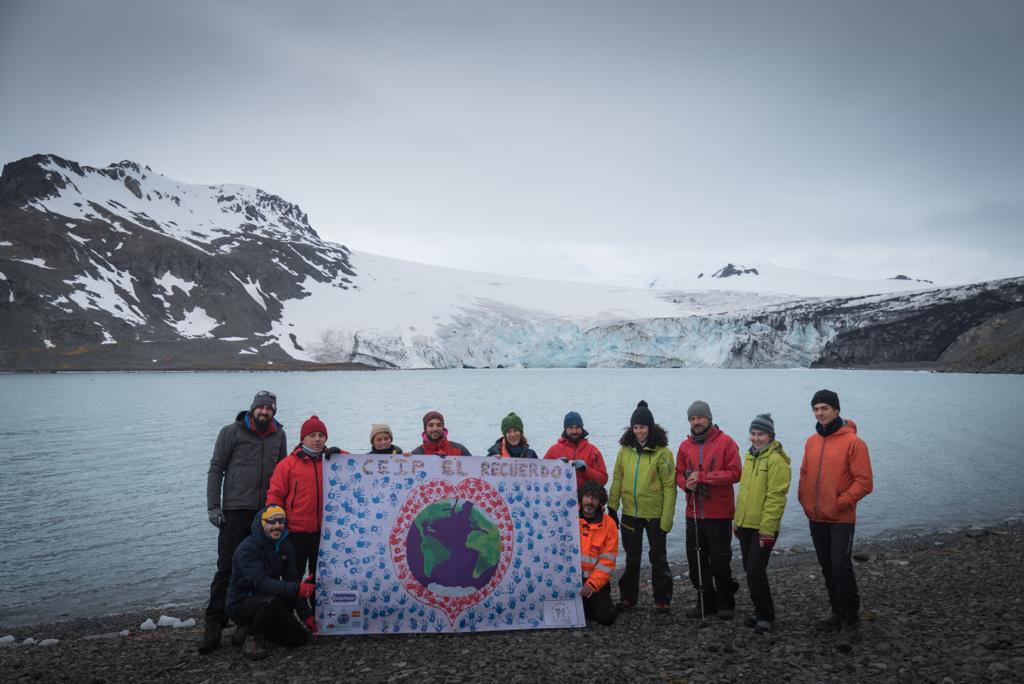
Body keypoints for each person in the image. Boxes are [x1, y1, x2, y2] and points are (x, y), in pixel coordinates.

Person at [199, 390, 288, 654]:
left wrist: (280, 508)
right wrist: (214, 506)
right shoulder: (231, 432)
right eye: (260, 408)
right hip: (235, 509)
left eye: (269, 409)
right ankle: (214, 623)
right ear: (252, 409)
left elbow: (283, 470)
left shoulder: (279, 435)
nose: (264, 412)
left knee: (260, 569)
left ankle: (247, 623)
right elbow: (216, 468)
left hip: (265, 512)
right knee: (227, 567)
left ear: (274, 412)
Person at [798, 389, 873, 641]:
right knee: (827, 567)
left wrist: (841, 502)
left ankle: (852, 621)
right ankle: (837, 614)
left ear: (836, 410)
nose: (820, 413)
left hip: (841, 518)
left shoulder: (853, 443)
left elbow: (864, 482)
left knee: (841, 567)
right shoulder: (811, 441)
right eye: (816, 409)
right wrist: (804, 499)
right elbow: (805, 473)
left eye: (825, 408)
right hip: (816, 516)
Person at [608, 401, 677, 613]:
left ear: (650, 427)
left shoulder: (662, 453)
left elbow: (670, 487)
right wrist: (612, 507)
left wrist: (667, 519)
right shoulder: (624, 451)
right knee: (632, 557)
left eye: (642, 427)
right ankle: (628, 598)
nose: (639, 432)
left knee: (658, 557)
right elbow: (618, 479)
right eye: (635, 427)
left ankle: (662, 599)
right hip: (630, 512)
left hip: (654, 514)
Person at [675, 399, 742, 620]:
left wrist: (704, 478)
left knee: (720, 561)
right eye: (692, 419)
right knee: (696, 562)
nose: (696, 422)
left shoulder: (726, 442)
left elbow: (735, 473)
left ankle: (726, 602)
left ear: (709, 419)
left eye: (700, 418)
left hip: (719, 514)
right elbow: (679, 473)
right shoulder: (685, 446)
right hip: (694, 513)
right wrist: (686, 484)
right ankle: (705, 601)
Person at [225, 505, 315, 660]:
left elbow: (292, 580)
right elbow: (261, 583)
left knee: (298, 638)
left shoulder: (285, 546)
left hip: (269, 600)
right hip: (241, 603)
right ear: (262, 524)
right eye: (271, 521)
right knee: (273, 597)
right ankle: (252, 637)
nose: (277, 525)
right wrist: (297, 588)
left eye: (281, 521)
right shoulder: (247, 549)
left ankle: (250, 628)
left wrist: (306, 616)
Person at [733, 413, 791, 634]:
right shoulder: (750, 457)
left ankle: (766, 616)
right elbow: (744, 493)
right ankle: (759, 613)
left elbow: (776, 498)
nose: (756, 438)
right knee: (749, 570)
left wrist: (767, 530)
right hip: (746, 524)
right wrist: (737, 521)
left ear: (770, 436)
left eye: (761, 434)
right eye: (754, 434)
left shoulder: (777, 460)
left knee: (756, 570)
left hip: (763, 527)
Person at [266, 415, 340, 584]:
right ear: (303, 439)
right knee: (293, 575)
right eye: (312, 435)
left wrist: (339, 453)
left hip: (325, 533)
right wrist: (274, 521)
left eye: (321, 435)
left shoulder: (333, 460)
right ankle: (289, 609)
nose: (317, 439)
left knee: (321, 578)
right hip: (295, 532)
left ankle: (315, 609)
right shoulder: (287, 465)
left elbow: (359, 465)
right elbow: (275, 494)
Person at [578, 480, 618, 626]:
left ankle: (587, 606)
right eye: (587, 496)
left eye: (595, 498)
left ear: (600, 502)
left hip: (593, 582)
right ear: (581, 498)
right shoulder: (568, 518)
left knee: (608, 618)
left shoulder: (610, 525)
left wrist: (593, 584)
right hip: (569, 580)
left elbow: (607, 562)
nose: (590, 501)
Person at [543, 411, 608, 489]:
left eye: (577, 427)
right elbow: (541, 476)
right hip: (561, 499)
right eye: (571, 428)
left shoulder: (593, 451)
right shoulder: (553, 450)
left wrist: (586, 470)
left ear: (582, 428)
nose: (574, 431)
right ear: (565, 429)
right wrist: (556, 467)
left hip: (586, 499)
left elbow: (603, 480)